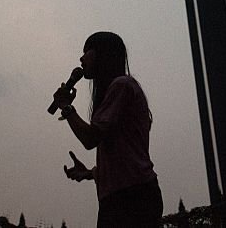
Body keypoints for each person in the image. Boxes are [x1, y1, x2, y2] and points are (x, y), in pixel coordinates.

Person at [52, 31, 162, 227]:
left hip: (132, 197)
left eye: (87, 51)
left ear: (103, 54)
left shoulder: (122, 85)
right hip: (124, 196)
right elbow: (123, 154)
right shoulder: (119, 88)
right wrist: (90, 173)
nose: (81, 58)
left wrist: (66, 108)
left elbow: (90, 138)